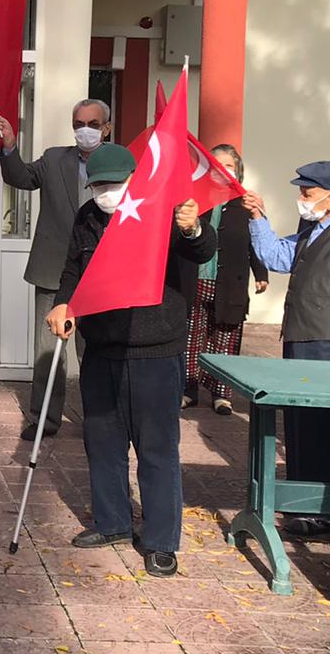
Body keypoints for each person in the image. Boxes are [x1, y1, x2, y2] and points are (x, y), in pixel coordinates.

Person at [45, 144, 215, 579]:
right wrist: (63, 303)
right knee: (102, 443)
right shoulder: (88, 217)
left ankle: (160, 541)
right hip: (102, 348)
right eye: (99, 185)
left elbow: (200, 250)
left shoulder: (164, 212)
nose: (106, 193)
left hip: (155, 351)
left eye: (114, 185)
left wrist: (193, 227)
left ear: (133, 181)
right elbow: (72, 269)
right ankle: (113, 522)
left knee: (157, 449)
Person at [242, 161, 330, 537]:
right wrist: (258, 217)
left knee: (320, 427)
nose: (301, 199)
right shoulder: (313, 230)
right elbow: (277, 257)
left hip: (328, 342)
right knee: (299, 425)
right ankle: (300, 506)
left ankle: (322, 511)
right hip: (301, 337)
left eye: (307, 193)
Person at [0, 97, 111, 440]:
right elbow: (20, 177)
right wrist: (10, 146)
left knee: (95, 352)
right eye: (78, 124)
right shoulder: (55, 158)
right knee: (48, 352)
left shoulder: (119, 165)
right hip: (53, 269)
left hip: (99, 274)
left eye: (91, 124)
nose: (83, 131)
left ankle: (100, 422)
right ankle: (44, 418)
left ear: (106, 127)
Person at [182, 144, 269, 416]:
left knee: (224, 340)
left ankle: (222, 394)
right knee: (192, 339)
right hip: (197, 280)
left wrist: (261, 273)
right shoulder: (196, 199)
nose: (222, 169)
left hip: (231, 282)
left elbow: (255, 242)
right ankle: (188, 389)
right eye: (216, 164)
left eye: (228, 165)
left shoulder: (246, 204)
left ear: (238, 172)